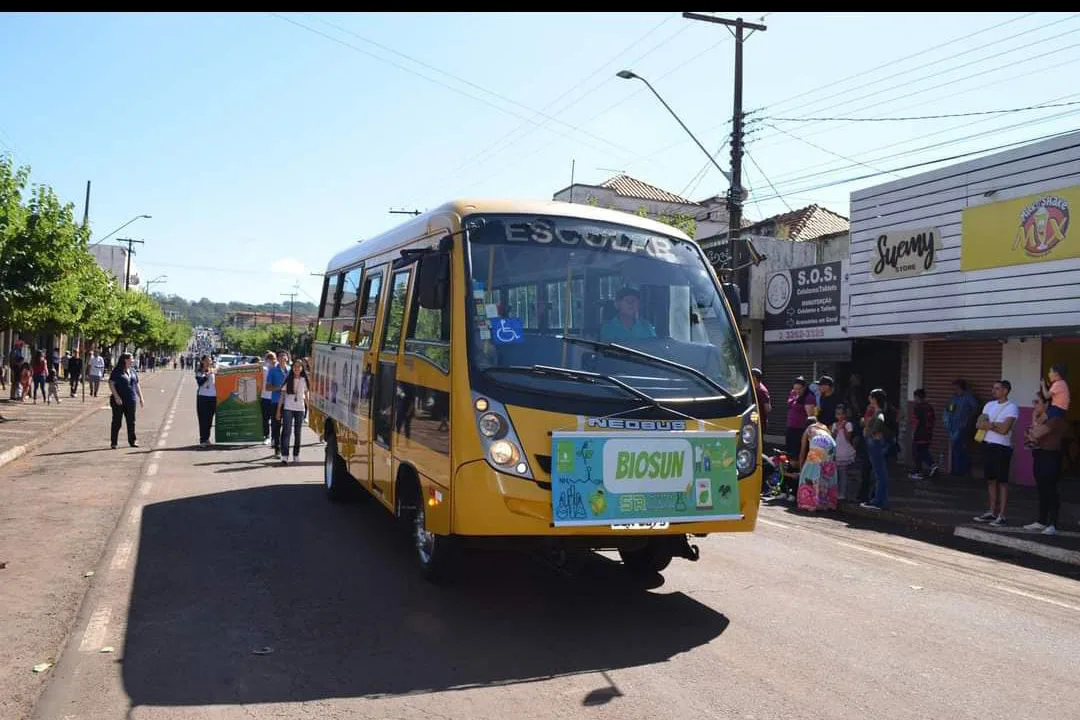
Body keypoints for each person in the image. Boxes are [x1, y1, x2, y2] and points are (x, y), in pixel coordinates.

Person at [973, 380, 1019, 527]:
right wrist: (995, 425)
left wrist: (990, 425)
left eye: (997, 388)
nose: (994, 391)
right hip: (988, 445)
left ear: (1005, 391)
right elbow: (979, 424)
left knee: (1002, 481)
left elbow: (1005, 429)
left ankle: (1002, 514)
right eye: (993, 388)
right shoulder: (989, 405)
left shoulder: (1012, 407)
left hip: (1002, 447)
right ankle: (991, 511)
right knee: (990, 480)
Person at [1023, 394, 1066, 536]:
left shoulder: (1054, 419)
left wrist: (1034, 421)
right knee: (1041, 488)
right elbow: (1028, 439)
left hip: (1051, 457)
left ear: (1047, 405)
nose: (1034, 405)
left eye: (1037, 402)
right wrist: (1032, 429)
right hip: (1039, 454)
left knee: (1051, 489)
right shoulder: (1041, 419)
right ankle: (1041, 520)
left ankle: (1052, 523)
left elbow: (1035, 434)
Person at [860, 388, 893, 511]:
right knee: (879, 473)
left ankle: (878, 501)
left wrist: (870, 431)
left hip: (876, 444)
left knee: (880, 474)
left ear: (874, 399)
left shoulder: (879, 413)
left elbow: (879, 423)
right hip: (876, 443)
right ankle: (879, 500)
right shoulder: (878, 411)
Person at [798, 416, 838, 512]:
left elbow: (803, 451)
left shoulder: (808, 429)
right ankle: (828, 503)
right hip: (832, 444)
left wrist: (802, 469)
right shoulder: (823, 427)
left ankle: (809, 503)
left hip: (818, 444)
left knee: (809, 473)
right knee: (826, 472)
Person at [942, 379, 978, 477]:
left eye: (955, 387)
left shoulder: (968, 397)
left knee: (961, 448)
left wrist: (967, 420)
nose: (954, 389)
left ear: (960, 387)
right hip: (953, 426)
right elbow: (948, 409)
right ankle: (956, 469)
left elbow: (975, 409)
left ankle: (962, 470)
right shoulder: (954, 398)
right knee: (955, 448)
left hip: (963, 427)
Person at [108, 353, 143, 449]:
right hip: (119, 401)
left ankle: (132, 441)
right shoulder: (117, 371)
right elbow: (111, 383)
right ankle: (114, 442)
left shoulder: (132, 371)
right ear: (125, 360)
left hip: (131, 400)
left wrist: (141, 397)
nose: (132, 360)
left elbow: (136, 385)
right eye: (131, 359)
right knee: (117, 422)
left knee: (131, 421)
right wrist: (116, 397)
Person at [277, 358, 308, 465]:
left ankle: (296, 455)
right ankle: (285, 455)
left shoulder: (304, 379)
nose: (297, 368)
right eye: (295, 366)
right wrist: (278, 411)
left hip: (300, 408)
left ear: (302, 368)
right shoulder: (288, 378)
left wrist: (309, 410)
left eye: (299, 366)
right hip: (288, 408)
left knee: (298, 433)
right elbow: (282, 396)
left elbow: (307, 395)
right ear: (292, 368)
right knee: (287, 431)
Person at [909, 389, 938, 480]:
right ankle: (932, 465)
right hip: (928, 433)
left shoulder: (918, 407)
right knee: (924, 451)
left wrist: (913, 433)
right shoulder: (929, 407)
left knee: (917, 453)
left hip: (919, 434)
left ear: (917, 397)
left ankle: (918, 472)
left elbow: (915, 421)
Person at [266, 351, 289, 459]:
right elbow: (268, 387)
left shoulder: (291, 370)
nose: (282, 358)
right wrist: (279, 388)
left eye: (284, 356)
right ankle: (277, 449)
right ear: (278, 359)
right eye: (280, 356)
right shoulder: (273, 371)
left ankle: (284, 449)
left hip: (289, 402)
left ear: (287, 359)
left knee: (287, 427)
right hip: (275, 402)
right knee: (276, 425)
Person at [832, 403, 857, 500]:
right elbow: (833, 437)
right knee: (836, 474)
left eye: (842, 414)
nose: (840, 416)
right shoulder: (834, 424)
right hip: (837, 450)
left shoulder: (848, 424)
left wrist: (843, 427)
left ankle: (842, 493)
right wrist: (836, 430)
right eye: (838, 414)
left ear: (845, 414)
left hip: (844, 450)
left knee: (843, 473)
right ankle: (836, 492)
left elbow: (848, 438)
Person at [785, 377, 815, 458]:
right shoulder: (793, 393)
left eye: (799, 389)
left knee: (798, 454)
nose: (797, 391)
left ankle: (799, 469)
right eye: (795, 388)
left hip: (801, 430)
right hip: (791, 428)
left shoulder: (809, 397)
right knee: (789, 453)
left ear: (804, 387)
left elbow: (811, 418)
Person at [195, 355, 217, 446]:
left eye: (210, 360)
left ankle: (207, 438)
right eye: (207, 360)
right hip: (203, 397)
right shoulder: (199, 371)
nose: (209, 362)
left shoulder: (214, 369)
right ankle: (202, 440)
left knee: (209, 419)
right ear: (202, 361)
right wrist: (207, 375)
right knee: (203, 419)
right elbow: (200, 383)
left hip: (213, 397)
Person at [260, 351, 277, 446]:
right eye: (270, 358)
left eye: (273, 358)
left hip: (275, 398)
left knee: (275, 419)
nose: (272, 360)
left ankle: (274, 437)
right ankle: (267, 436)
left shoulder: (278, 369)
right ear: (267, 360)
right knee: (265, 418)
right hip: (265, 397)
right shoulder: (264, 369)